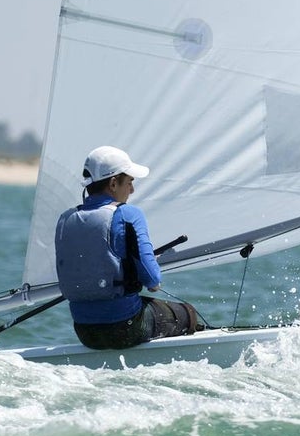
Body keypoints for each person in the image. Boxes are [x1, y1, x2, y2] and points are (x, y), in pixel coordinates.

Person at [55, 145, 201, 349]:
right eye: (130, 182)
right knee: (188, 313)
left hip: (83, 331)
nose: (132, 190)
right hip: (125, 327)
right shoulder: (128, 214)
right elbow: (153, 280)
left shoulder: (65, 220)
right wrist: (149, 272)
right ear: (113, 183)